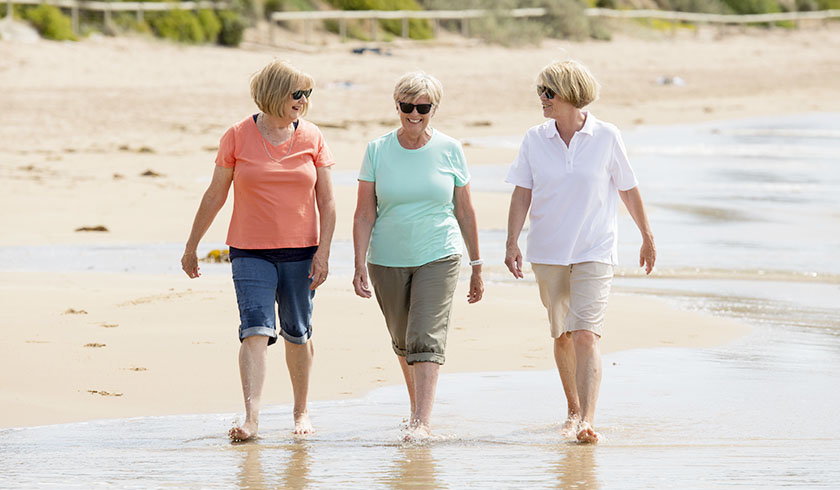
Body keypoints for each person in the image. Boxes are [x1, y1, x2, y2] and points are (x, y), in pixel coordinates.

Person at [180, 60, 336, 441]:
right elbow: (215, 194)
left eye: (307, 94)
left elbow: (328, 203)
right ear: (274, 93)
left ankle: (301, 413)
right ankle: (251, 418)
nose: (303, 101)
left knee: (297, 332)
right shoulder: (237, 135)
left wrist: (324, 254)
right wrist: (192, 245)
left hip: (301, 253)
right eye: (296, 93)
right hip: (250, 251)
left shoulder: (313, 137)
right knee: (255, 330)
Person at [504, 60, 656, 444]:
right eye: (540, 91)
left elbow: (627, 187)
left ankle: (587, 420)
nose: (541, 98)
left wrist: (647, 236)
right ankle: (572, 408)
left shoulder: (607, 136)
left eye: (548, 92)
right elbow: (522, 192)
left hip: (595, 249)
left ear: (569, 94)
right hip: (548, 251)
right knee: (563, 335)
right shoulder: (534, 139)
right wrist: (511, 241)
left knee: (586, 333)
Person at [352, 71, 484, 442]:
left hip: (438, 254)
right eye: (406, 106)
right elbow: (364, 213)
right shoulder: (377, 150)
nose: (414, 113)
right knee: (403, 340)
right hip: (387, 259)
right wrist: (359, 262)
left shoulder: (450, 149)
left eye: (422, 107)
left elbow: (465, 211)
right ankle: (416, 413)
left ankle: (422, 423)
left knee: (425, 338)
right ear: (397, 106)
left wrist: (476, 265)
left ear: (433, 108)